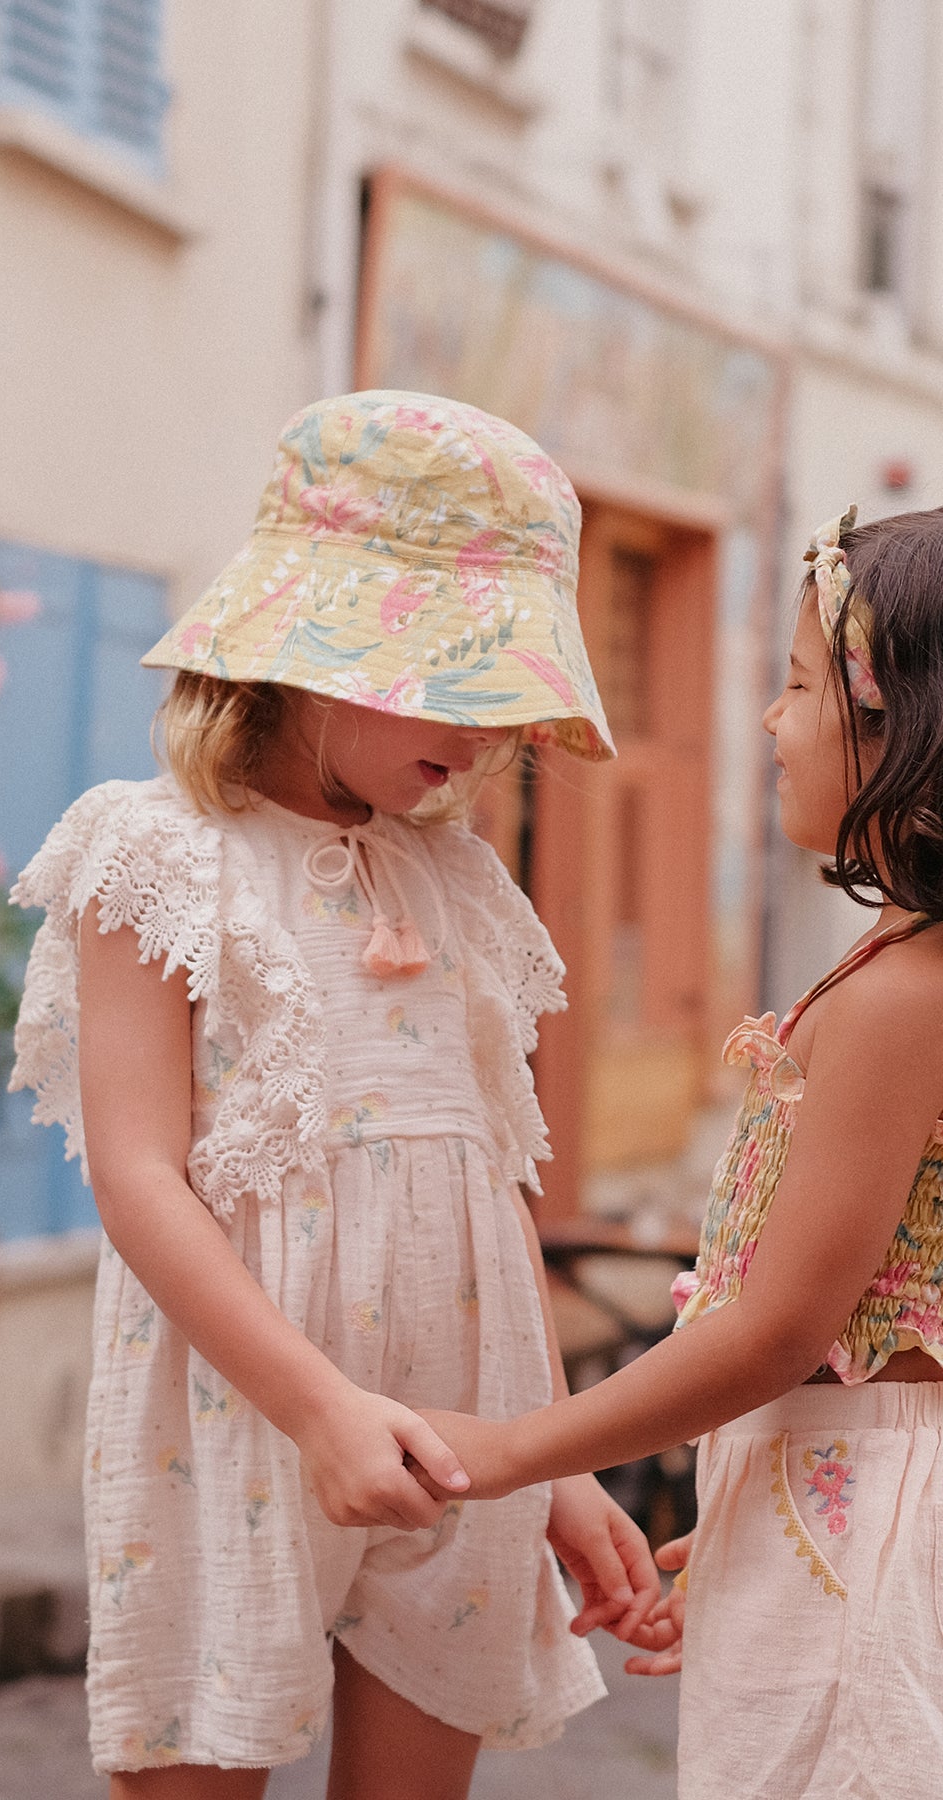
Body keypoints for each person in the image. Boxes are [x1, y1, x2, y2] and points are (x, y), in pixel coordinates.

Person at [8, 390, 660, 1798]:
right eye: (459, 677)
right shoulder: (155, 854)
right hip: (239, 1414)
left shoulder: (462, 884)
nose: (492, 734)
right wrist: (317, 1408)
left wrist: (553, 1460)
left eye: (513, 693)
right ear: (319, 643)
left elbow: (494, 1181)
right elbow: (136, 1178)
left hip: (469, 1426)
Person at [414, 503, 943, 1797]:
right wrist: (769, 1494)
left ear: (901, 734)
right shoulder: (895, 972)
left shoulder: (901, 1000)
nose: (768, 722)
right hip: (842, 1493)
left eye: (799, 686)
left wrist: (512, 1451)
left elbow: (777, 1329)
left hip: (866, 1504)